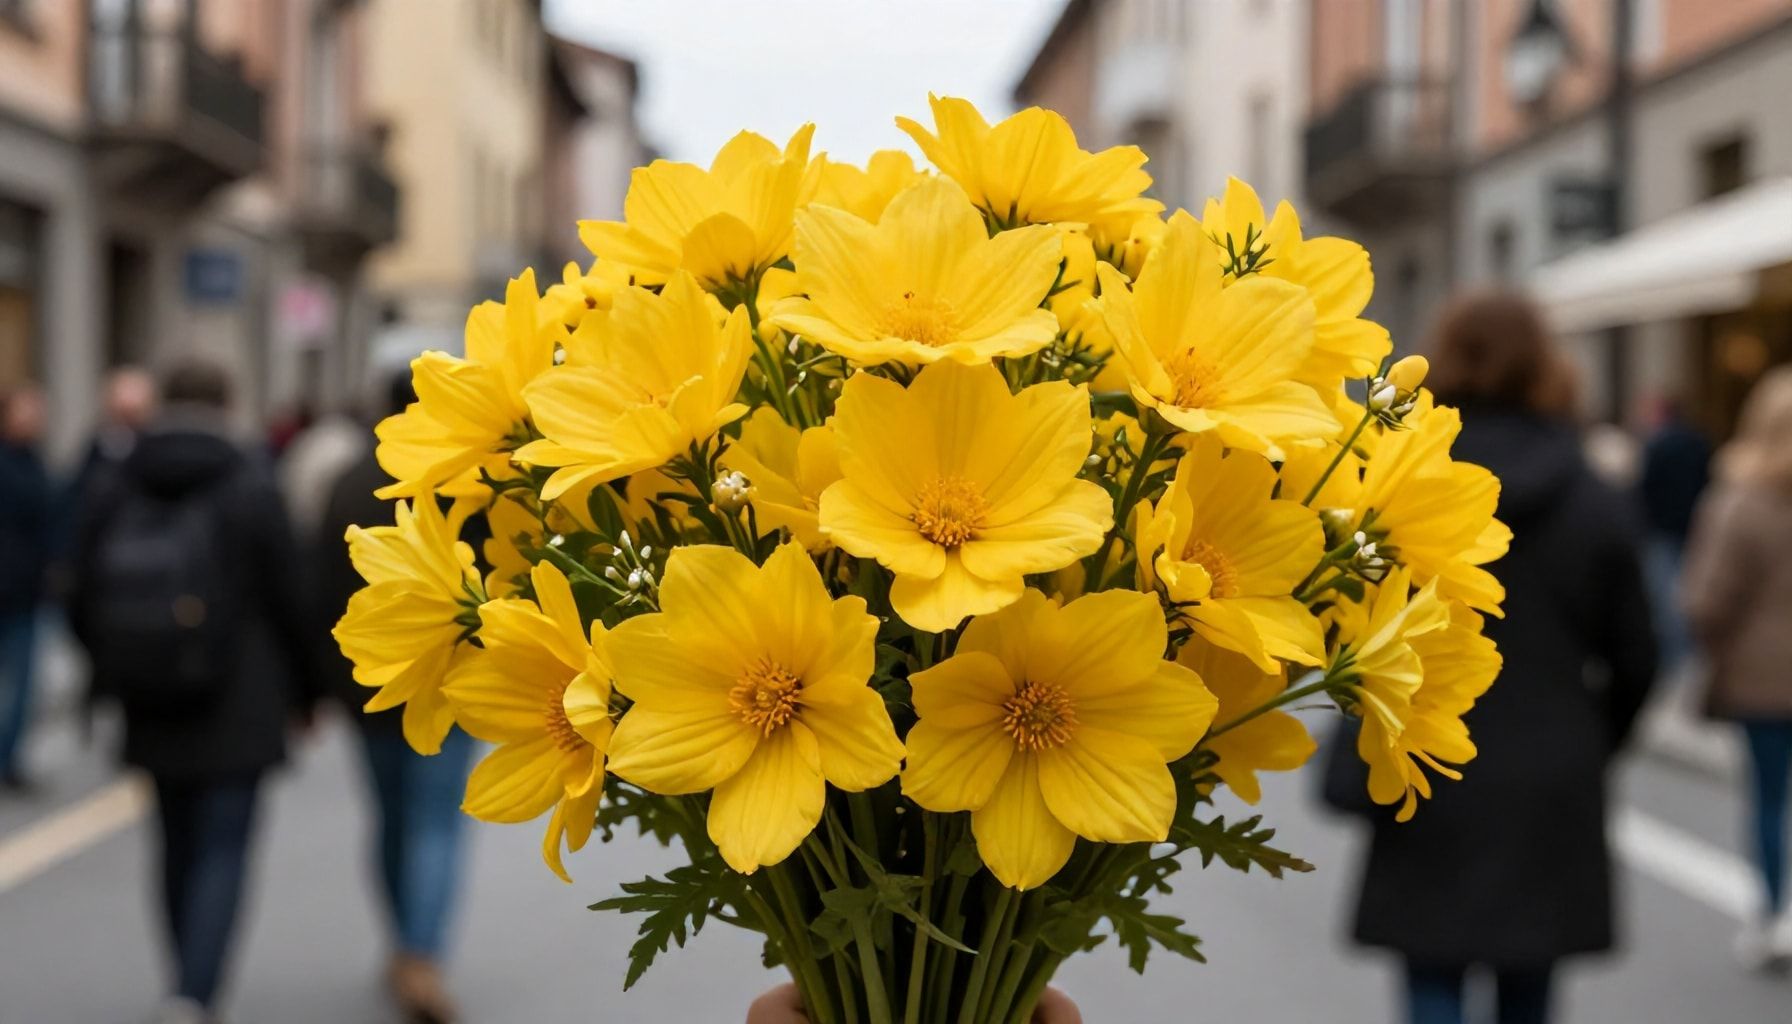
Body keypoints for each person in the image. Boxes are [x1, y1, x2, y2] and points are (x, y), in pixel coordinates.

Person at [1339, 292, 1657, 1024]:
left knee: (1429, 975)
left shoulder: (1400, 480)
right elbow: (1639, 654)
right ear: (1547, 366)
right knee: (1529, 984)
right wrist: (1592, 736)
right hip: (1550, 768)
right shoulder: (1594, 499)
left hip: (1425, 748)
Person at [69, 358, 315, 1024]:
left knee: (174, 842)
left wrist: (114, 666)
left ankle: (182, 976)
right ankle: (194, 993)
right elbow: (291, 594)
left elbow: (79, 586)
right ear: (228, 402)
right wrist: (309, 692)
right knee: (223, 846)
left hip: (151, 696)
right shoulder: (249, 481)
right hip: (242, 697)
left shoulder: (120, 478)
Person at [314, 371, 473, 1024]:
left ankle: (403, 946)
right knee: (435, 823)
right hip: (452, 678)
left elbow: (319, 589)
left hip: (369, 682)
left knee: (391, 819)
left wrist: (325, 683)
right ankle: (422, 955)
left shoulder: (346, 484)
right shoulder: (461, 479)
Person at [1681, 365, 1792, 969]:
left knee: (1769, 798)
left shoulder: (1740, 503)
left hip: (1763, 678)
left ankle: (1775, 913)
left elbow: (1707, 601)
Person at [0, 383, 51, 790]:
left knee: (23, 684)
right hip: (12, 588)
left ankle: (9, 758)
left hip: (26, 591)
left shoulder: (33, 460)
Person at [1638, 397, 1711, 672]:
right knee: (1684, 589)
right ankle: (1686, 650)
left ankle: (1673, 654)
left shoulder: (1657, 445)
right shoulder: (1698, 442)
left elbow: (1646, 488)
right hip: (1690, 525)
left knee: (1663, 594)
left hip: (1662, 527)